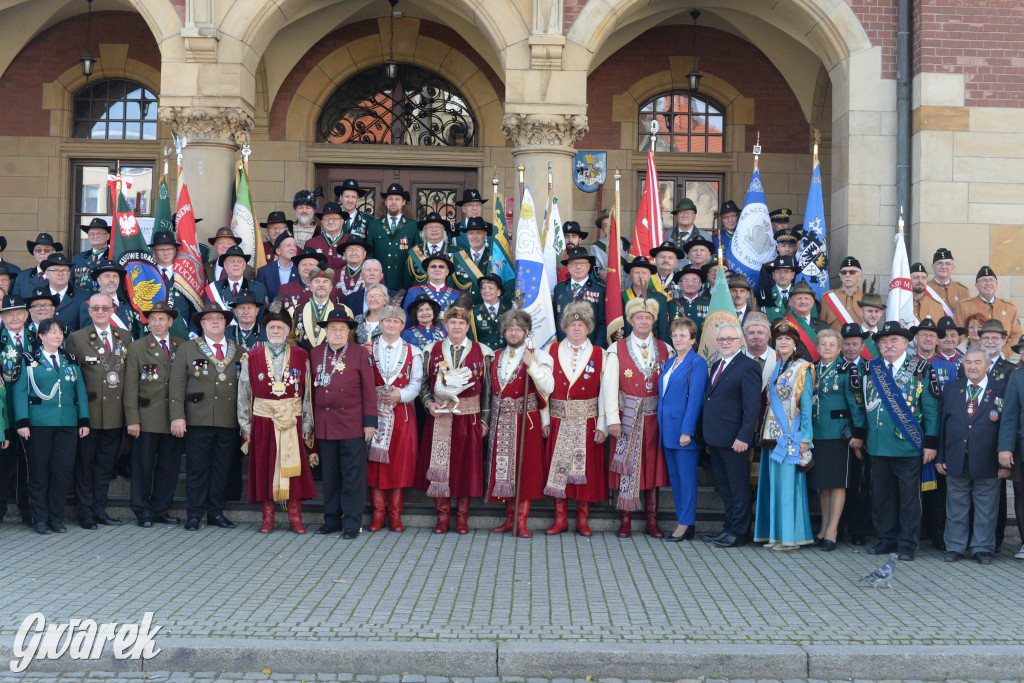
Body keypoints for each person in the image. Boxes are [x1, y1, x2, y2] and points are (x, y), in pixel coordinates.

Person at [849, 320, 940, 561]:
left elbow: (930, 408)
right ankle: (887, 539)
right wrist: (860, 434)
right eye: (884, 342)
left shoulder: (920, 367)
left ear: (905, 344)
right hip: (878, 445)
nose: (888, 345)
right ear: (877, 346)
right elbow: (860, 404)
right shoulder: (870, 368)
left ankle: (908, 543)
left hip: (908, 445)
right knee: (882, 496)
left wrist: (930, 442)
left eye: (894, 341)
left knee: (910, 499)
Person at [238, 305, 316, 534]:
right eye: (271, 327)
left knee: (294, 471)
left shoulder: (303, 356)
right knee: (265, 468)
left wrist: (308, 424)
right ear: (265, 330)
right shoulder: (251, 357)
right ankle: (268, 518)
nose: (275, 331)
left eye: (280, 327)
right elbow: (244, 393)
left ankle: (295, 517)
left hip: (292, 420)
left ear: (288, 330)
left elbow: (308, 394)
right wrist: (245, 426)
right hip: (263, 421)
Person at [417, 297, 491, 534]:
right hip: (439, 416)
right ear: (445, 325)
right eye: (453, 322)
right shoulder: (430, 351)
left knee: (464, 469)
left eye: (461, 323)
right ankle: (442, 517)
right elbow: (423, 385)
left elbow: (488, 389)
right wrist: (428, 403)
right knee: (440, 468)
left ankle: (461, 518)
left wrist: (484, 420)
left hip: (469, 418)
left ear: (468, 327)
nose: (457, 326)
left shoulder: (483, 352)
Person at [169, 302, 245, 531]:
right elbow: (176, 384)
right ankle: (194, 514)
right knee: (197, 470)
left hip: (228, 420)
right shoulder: (188, 348)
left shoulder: (239, 350)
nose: (214, 321)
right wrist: (177, 417)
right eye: (209, 318)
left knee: (221, 470)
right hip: (197, 419)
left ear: (226, 323)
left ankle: (215, 513)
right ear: (201, 323)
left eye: (219, 318)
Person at [542, 301, 616, 536]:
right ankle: (560, 519)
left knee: (586, 475)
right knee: (559, 471)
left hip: (588, 422)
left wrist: (603, 426)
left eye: (581, 325)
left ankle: (583, 520)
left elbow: (607, 392)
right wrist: (544, 420)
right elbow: (542, 389)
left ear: (589, 328)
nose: (576, 328)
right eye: (572, 324)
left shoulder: (601, 354)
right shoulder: (551, 351)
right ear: (564, 327)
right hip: (558, 420)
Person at [13, 318, 89, 534]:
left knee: (62, 472)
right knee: (39, 473)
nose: (57, 336)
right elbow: (20, 392)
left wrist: (83, 420)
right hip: (39, 424)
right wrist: (22, 422)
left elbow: (80, 391)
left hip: (67, 423)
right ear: (41, 336)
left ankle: (56, 518)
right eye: (52, 332)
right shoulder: (29, 359)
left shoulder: (71, 360)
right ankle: (39, 519)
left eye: (60, 332)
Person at [606, 297, 671, 537]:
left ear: (653, 321)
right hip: (627, 419)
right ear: (630, 320)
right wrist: (612, 419)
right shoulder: (616, 349)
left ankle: (651, 521)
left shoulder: (666, 348)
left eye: (648, 318)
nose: (643, 321)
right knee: (628, 468)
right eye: (639, 317)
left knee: (652, 470)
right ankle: (626, 520)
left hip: (656, 420)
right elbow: (609, 386)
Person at [310, 308, 377, 538]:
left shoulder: (360, 353)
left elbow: (369, 390)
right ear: (325, 332)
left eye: (341, 329)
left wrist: (370, 422)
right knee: (330, 476)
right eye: (332, 329)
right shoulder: (316, 353)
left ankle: (351, 523)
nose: (336, 333)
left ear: (349, 332)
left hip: (352, 424)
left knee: (352, 476)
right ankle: (331, 520)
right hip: (326, 423)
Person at [486, 308, 554, 537]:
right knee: (503, 470)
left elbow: (548, 387)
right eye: (510, 329)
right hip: (499, 419)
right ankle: (509, 519)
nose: (514, 333)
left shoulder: (540, 355)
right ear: (504, 332)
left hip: (526, 420)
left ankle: (522, 521)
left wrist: (532, 365)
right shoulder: (494, 356)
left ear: (526, 332)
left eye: (518, 329)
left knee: (525, 470)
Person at [65, 293, 130, 529]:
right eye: (96, 308)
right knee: (84, 467)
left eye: (105, 308)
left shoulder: (124, 336)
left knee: (105, 467)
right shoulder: (77, 338)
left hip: (114, 414)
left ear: (113, 310)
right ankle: (84, 513)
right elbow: (72, 380)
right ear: (89, 311)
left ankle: (99, 510)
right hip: (88, 415)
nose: (100, 312)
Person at [938, 348, 1006, 565]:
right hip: (957, 458)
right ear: (963, 365)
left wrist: (1006, 458)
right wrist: (940, 456)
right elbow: (943, 425)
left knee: (986, 509)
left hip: (988, 460)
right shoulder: (952, 389)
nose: (972, 367)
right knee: (956, 508)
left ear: (987, 365)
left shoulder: (1001, 390)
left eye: (977, 362)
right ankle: (955, 547)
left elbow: (1007, 426)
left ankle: (982, 548)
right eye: (968, 362)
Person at [753, 321, 814, 550]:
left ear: (795, 342)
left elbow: (806, 406)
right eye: (779, 339)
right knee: (774, 486)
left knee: (788, 486)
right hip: (772, 436)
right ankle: (776, 535)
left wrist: (806, 439)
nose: (783, 342)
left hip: (791, 437)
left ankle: (790, 539)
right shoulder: (777, 367)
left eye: (788, 339)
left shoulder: (803, 367)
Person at [701, 322, 762, 548]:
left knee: (738, 488)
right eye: (721, 340)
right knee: (725, 488)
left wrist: (744, 437)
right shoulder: (718, 364)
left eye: (730, 339)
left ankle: (739, 532)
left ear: (740, 342)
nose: (725, 343)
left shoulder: (748, 366)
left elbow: (752, 407)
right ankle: (728, 528)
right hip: (715, 438)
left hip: (735, 440)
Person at [124, 301, 183, 527]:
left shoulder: (182, 345)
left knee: (169, 467)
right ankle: (142, 510)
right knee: (143, 467)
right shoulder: (138, 347)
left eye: (162, 319)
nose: (157, 323)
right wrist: (133, 420)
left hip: (173, 418)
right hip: (146, 418)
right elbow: (130, 387)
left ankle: (160, 509)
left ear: (170, 322)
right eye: (153, 319)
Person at [366, 299, 423, 533]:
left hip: (401, 414)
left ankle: (395, 515)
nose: (391, 324)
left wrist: (401, 395)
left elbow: (417, 383)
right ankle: (378, 514)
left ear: (402, 325)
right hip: (374, 414)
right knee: (375, 466)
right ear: (380, 323)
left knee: (398, 464)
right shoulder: (367, 349)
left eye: (396, 321)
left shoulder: (414, 352)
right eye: (387, 320)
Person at [810, 329, 862, 550]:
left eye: (832, 344)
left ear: (839, 348)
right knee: (823, 484)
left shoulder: (847, 369)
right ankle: (823, 528)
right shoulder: (810, 368)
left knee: (837, 483)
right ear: (818, 346)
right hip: (816, 433)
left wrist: (859, 433)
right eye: (824, 343)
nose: (828, 347)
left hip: (838, 434)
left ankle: (833, 530)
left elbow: (856, 403)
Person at [657, 317, 707, 541]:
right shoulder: (670, 362)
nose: (678, 339)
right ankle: (683, 521)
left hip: (683, 431)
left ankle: (686, 524)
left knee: (686, 480)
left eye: (683, 335)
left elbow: (695, 399)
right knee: (676, 479)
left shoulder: (697, 363)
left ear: (693, 339)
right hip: (667, 429)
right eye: (675, 335)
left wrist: (687, 431)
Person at [0, 294, 34, 525]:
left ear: (26, 315)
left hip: (31, 414)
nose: (14, 317)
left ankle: (27, 510)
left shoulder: (38, 338)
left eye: (18, 313)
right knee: (2, 467)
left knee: (28, 466)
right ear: (2, 317)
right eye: (8, 314)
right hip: (3, 415)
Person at [838, 322, 872, 545]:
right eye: (847, 344)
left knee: (861, 487)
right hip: (837, 437)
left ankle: (858, 532)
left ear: (862, 346)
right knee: (839, 484)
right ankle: (837, 530)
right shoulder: (832, 366)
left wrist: (861, 437)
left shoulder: (871, 369)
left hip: (864, 438)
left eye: (855, 344)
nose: (850, 348)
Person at [955, 266, 1022, 358]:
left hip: (1001, 359)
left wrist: (1003, 353)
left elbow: (1016, 334)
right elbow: (959, 333)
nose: (988, 283)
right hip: (973, 358)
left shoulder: (1009, 307)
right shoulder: (964, 305)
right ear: (976, 285)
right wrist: (971, 353)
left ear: (997, 284)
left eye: (991, 280)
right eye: (983, 280)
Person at [997, 336, 1024, 561]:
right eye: (1022, 350)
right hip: (1022, 448)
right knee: (1022, 497)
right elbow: (1009, 416)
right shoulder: (1017, 376)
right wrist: (1005, 448)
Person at [367, 183, 419, 291]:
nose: (393, 202)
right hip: (380, 284)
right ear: (385, 202)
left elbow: (417, 256)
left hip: (405, 284)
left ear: (403, 202)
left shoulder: (413, 225)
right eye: (390, 199)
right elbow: (370, 255)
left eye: (397, 199)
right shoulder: (374, 225)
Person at [552, 246, 607, 347]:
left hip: (589, 347)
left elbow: (602, 324)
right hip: (562, 347)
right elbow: (553, 321)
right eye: (574, 264)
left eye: (582, 263)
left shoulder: (599, 290)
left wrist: (597, 349)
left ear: (589, 266)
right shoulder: (559, 289)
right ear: (568, 267)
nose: (578, 267)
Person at [292, 267, 350, 351]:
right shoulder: (297, 310)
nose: (321, 285)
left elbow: (348, 340)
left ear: (331, 288)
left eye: (325, 282)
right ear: (311, 287)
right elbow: (290, 338)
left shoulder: (343, 310)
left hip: (331, 359)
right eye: (317, 281)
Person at [150, 231, 195, 339]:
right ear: (154, 252)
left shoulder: (185, 274)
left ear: (175, 250)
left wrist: (193, 331)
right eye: (161, 249)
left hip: (183, 334)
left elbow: (195, 307)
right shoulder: (148, 275)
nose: (166, 253)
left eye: (169, 249)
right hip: (153, 333)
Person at [616, 256, 671, 342]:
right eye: (637, 273)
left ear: (649, 276)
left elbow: (663, 331)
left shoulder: (660, 299)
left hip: (652, 347)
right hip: (627, 346)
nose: (640, 276)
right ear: (630, 275)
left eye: (644, 273)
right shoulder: (621, 297)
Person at [77, 264, 139, 339]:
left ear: (119, 280)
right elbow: (86, 337)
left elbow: (133, 333)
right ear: (99, 281)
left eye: (115, 276)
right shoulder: (88, 306)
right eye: (107, 276)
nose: (111, 280)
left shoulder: (127, 305)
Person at [207, 245, 269, 311]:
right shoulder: (214, 288)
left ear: (244, 265)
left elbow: (262, 317)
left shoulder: (258, 289)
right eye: (232, 261)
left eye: (240, 261)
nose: (236, 264)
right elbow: (209, 315)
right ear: (225, 265)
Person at [40, 253, 88, 333]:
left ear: (69, 273)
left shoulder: (83, 297)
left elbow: (86, 328)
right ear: (47, 274)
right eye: (56, 270)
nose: (61, 274)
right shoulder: (38, 296)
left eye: (64, 270)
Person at [402, 254, 461, 318]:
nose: (437, 269)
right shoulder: (414, 292)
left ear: (447, 271)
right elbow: (407, 319)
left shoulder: (456, 295)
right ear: (427, 270)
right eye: (433, 266)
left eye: (441, 267)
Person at [755, 232, 799, 309]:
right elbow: (763, 293)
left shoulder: (801, 267)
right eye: (783, 246)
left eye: (791, 246)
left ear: (796, 248)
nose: (787, 249)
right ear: (777, 247)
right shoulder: (767, 267)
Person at [277, 247, 329, 312]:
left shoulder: (327, 289)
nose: (307, 268)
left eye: (311, 265)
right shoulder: (284, 289)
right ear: (298, 269)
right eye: (304, 265)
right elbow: (274, 312)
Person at [14, 233, 62, 299]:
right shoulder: (22, 277)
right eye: (38, 250)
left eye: (47, 250)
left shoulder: (62, 276)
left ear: (54, 253)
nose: (42, 252)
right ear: (33, 253)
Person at [255, 230, 299, 301]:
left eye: (294, 245)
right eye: (288, 245)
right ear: (278, 250)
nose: (293, 248)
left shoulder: (300, 271)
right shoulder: (264, 272)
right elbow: (260, 300)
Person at [305, 201, 351, 270]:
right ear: (322, 222)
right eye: (326, 218)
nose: (330, 222)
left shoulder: (351, 241)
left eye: (334, 218)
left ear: (342, 221)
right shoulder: (311, 244)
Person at [590, 209, 631, 283]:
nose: (610, 228)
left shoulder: (629, 242)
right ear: (602, 228)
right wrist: (600, 273)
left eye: (613, 224)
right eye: (606, 226)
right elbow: (594, 269)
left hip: (629, 290)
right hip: (610, 287)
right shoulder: (596, 247)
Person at [72, 218, 112, 292]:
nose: (95, 236)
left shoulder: (114, 257)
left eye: (99, 233)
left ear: (108, 236)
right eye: (92, 234)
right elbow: (71, 285)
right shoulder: (78, 258)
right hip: (82, 302)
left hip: (105, 301)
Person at [471, 274, 509, 350]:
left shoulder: (508, 311)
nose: (486, 291)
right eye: (483, 288)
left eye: (491, 288)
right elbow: (471, 339)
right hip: (482, 356)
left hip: (504, 355)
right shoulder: (473, 312)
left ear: (498, 292)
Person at [758, 254, 798, 324]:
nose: (782, 275)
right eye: (779, 271)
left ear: (793, 275)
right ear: (773, 275)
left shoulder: (802, 295)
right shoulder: (762, 296)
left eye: (786, 271)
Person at [929, 248, 971, 314]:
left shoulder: (962, 290)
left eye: (948, 264)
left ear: (953, 268)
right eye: (940, 263)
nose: (944, 267)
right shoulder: (926, 288)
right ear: (932, 267)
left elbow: (966, 316)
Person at [672, 265, 709, 336]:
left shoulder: (709, 304)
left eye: (695, 280)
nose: (691, 284)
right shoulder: (671, 305)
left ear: (700, 285)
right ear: (680, 284)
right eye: (686, 280)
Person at [354, 283, 389, 348]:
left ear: (385, 300)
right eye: (369, 296)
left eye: (376, 296)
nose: (372, 299)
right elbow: (352, 344)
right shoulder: (358, 319)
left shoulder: (391, 321)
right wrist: (362, 348)